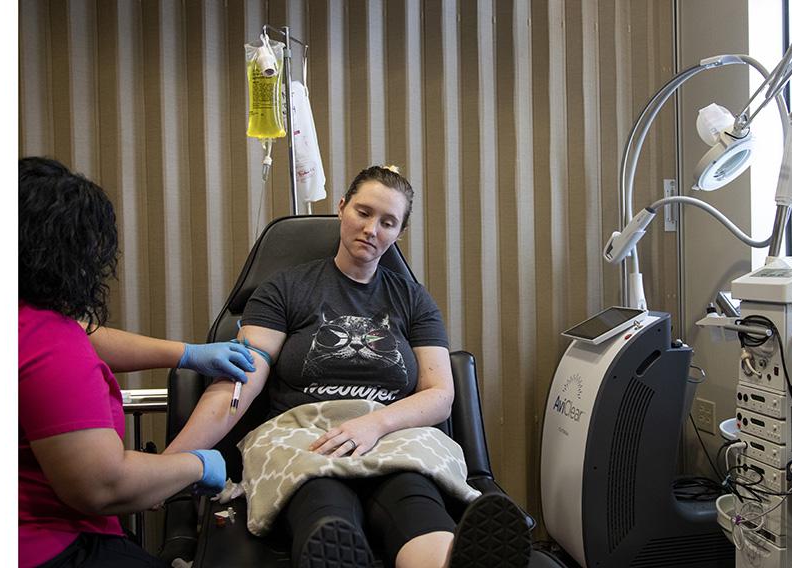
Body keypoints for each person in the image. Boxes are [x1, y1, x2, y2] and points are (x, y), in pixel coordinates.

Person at [164, 165, 532, 567]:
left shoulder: (413, 300)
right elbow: (240, 383)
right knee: (322, 503)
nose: (372, 229)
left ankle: (447, 561)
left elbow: (440, 395)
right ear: (341, 207)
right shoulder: (285, 289)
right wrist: (171, 465)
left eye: (388, 222)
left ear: (399, 233)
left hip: (392, 432)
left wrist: (374, 425)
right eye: (364, 212)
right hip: (302, 435)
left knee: (413, 498)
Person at [18, 157, 252, 568]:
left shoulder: (27, 322)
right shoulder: (46, 339)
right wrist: (193, 465)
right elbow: (103, 486)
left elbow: (82, 337)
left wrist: (187, 353)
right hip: (48, 545)